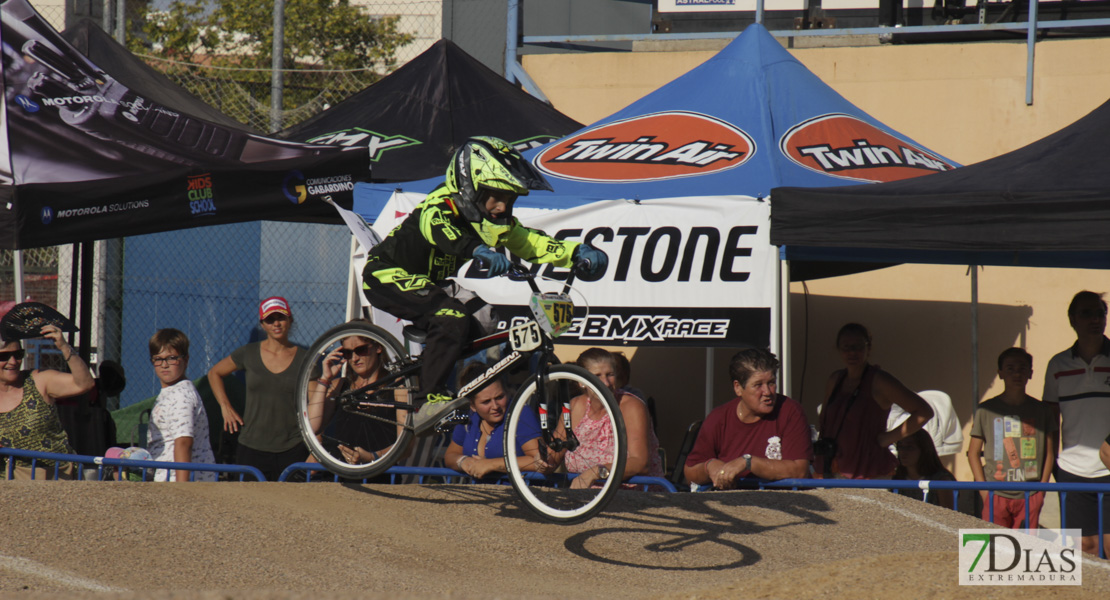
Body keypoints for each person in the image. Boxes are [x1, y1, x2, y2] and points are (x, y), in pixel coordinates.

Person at [360, 137, 607, 432]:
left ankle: (432, 366)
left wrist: (576, 252)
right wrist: (476, 250)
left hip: (432, 283)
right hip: (387, 274)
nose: (503, 207)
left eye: (510, 199)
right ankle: (429, 398)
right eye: (496, 196)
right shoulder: (441, 205)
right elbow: (439, 229)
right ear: (471, 188)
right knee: (451, 316)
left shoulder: (490, 220)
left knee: (487, 319)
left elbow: (530, 241)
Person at [208, 296, 309, 481]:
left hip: (293, 447)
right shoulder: (248, 353)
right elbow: (214, 373)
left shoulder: (305, 358)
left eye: (281, 318)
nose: (276, 324)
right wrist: (225, 407)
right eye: (270, 319)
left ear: (290, 320)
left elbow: (316, 403)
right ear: (262, 324)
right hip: (251, 447)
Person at [816, 323, 933, 479]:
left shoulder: (879, 381)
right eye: (846, 347)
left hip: (868, 470)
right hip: (833, 466)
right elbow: (824, 420)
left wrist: (889, 438)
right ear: (838, 350)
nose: (852, 352)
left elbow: (924, 412)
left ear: (868, 348)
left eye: (858, 347)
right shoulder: (835, 379)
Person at [684, 348, 812, 488]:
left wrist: (748, 463)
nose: (767, 392)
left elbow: (800, 471)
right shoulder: (718, 419)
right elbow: (690, 473)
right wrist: (709, 467)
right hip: (733, 505)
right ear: (738, 388)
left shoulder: (790, 411)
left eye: (771, 383)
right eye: (758, 385)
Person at [1043, 290, 1110, 555]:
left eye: (1100, 313)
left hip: (1109, 467)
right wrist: (1050, 466)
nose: (1095, 319)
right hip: (1071, 469)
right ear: (1072, 320)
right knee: (1085, 547)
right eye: (1087, 313)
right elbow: (1050, 420)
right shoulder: (1057, 364)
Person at [968, 347, 1056, 529]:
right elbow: (973, 453)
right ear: (1000, 373)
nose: (1017, 373)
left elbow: (1049, 452)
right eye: (1010, 368)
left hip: (1030, 493)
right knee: (995, 549)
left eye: (1022, 368)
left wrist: (1042, 490)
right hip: (996, 492)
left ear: (1030, 373)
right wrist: (984, 491)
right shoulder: (986, 410)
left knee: (1024, 550)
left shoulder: (1042, 410)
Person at [0, 325, 94, 480]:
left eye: (18, 354)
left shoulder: (38, 381)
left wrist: (63, 346)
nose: (13, 362)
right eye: (3, 356)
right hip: (10, 484)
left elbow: (84, 383)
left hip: (56, 476)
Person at [563, 348, 664, 490]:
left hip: (632, 495)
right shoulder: (576, 406)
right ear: (581, 382)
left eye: (610, 375)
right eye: (597, 376)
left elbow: (640, 463)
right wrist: (542, 461)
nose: (606, 383)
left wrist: (595, 473)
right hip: (586, 496)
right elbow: (554, 453)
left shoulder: (631, 406)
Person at [309, 323, 406, 468]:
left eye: (361, 350)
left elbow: (406, 446)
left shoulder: (398, 387)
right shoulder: (339, 385)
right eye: (348, 353)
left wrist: (373, 457)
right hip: (339, 473)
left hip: (379, 474)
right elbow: (311, 427)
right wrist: (324, 379)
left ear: (378, 347)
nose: (354, 358)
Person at [443, 362, 547, 480]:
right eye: (486, 402)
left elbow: (539, 461)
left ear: (507, 392)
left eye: (499, 397)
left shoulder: (520, 413)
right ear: (472, 405)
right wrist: (463, 461)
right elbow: (450, 456)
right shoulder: (470, 417)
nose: (495, 406)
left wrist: (491, 464)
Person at [147, 329, 217, 482]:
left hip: (177, 482)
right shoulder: (170, 392)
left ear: (186, 360)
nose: (164, 365)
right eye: (158, 359)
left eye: (172, 358)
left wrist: (181, 490)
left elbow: (183, 442)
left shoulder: (180, 395)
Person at [893, 429, 956, 510]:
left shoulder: (941, 480)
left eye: (910, 447)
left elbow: (948, 514)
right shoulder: (896, 479)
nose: (903, 452)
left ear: (924, 450)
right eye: (900, 446)